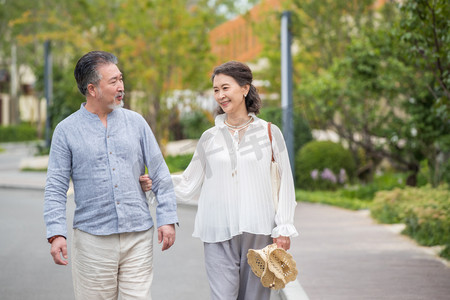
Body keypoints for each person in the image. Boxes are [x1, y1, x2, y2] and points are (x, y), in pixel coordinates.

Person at [141, 61, 298, 300]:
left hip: (259, 230)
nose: (220, 95)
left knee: (255, 298)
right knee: (222, 296)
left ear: (245, 89)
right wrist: (157, 183)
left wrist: (283, 226)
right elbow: (188, 182)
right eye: (216, 90)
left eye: (225, 88)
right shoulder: (209, 138)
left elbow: (286, 182)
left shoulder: (269, 133)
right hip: (217, 230)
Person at [44, 51, 178, 300]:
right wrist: (56, 233)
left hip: (138, 235)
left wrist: (167, 217)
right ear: (92, 89)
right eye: (113, 81)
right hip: (92, 240)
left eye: (121, 79)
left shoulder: (136, 123)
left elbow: (159, 173)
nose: (121, 87)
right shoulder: (66, 131)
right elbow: (55, 187)